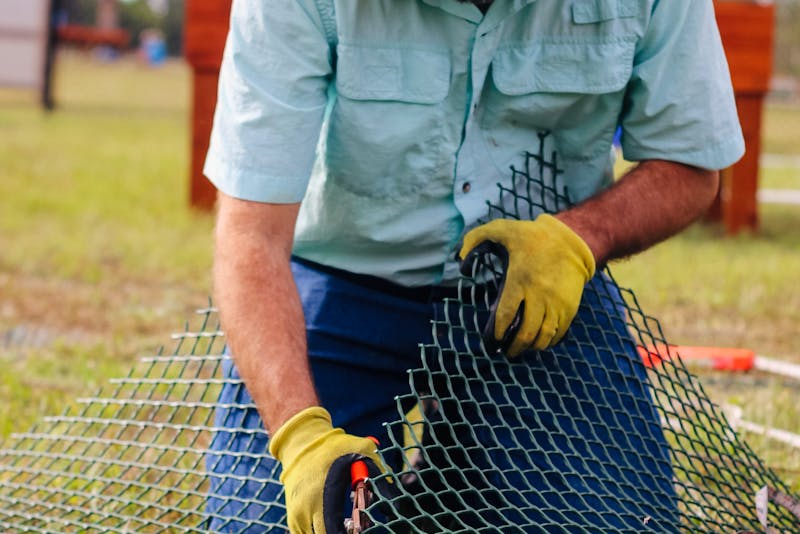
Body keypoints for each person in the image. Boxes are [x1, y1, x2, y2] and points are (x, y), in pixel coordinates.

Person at [203, 0, 744, 532]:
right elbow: (251, 234)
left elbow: (691, 162)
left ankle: (453, 468)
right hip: (341, 284)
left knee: (612, 523)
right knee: (267, 523)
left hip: (534, 295)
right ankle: (445, 477)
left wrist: (581, 239)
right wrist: (300, 438)